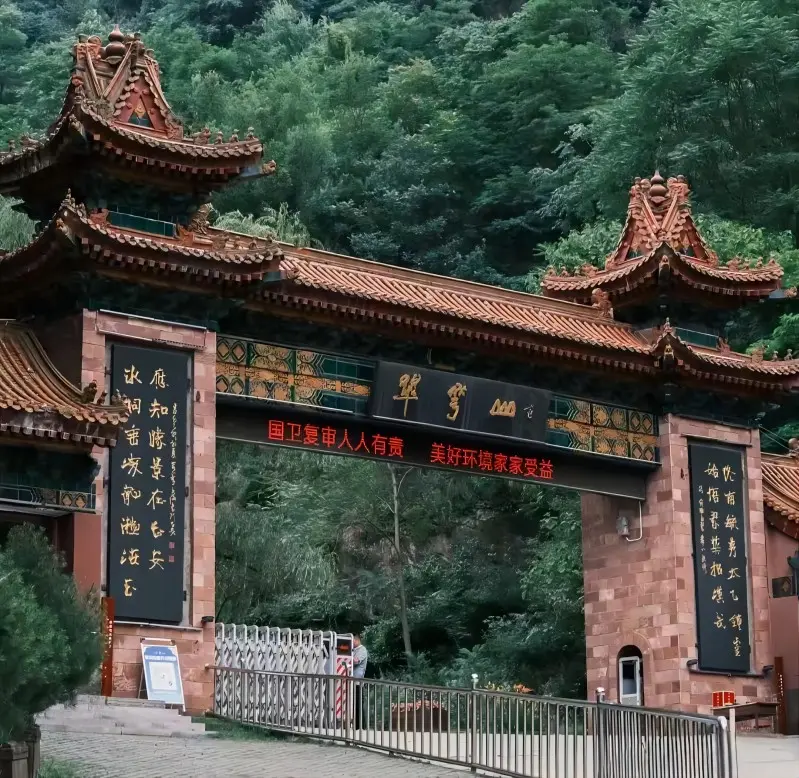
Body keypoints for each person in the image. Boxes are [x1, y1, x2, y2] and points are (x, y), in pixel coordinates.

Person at [352, 634, 368, 730]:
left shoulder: (362, 650)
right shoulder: (353, 650)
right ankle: (355, 725)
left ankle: (360, 727)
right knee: (353, 704)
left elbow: (356, 661)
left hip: (358, 682)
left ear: (357, 640)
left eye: (353, 641)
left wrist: (346, 658)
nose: (352, 643)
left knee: (358, 705)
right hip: (351, 682)